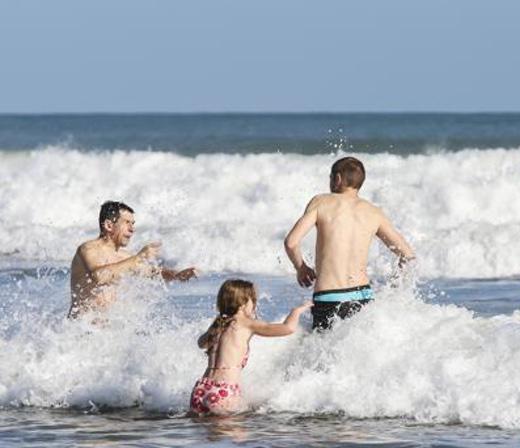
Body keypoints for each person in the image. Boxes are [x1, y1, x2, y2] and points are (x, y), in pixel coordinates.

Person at [284, 156, 415, 330]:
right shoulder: (374, 212)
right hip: (362, 296)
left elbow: (291, 242)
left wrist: (301, 268)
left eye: (330, 178)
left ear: (337, 179)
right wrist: (394, 287)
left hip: (329, 297)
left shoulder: (321, 202)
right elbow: (407, 255)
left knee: (324, 354)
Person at [189, 279, 312, 416]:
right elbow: (287, 328)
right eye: (253, 300)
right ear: (243, 303)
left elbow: (201, 343)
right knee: (235, 435)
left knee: (208, 434)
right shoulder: (246, 323)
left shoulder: (219, 323)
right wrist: (297, 311)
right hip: (224, 390)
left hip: (201, 389)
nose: (254, 304)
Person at [68, 201, 197, 319]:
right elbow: (99, 276)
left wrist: (176, 275)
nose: (132, 229)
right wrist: (139, 257)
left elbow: (152, 272)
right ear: (109, 225)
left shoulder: (125, 258)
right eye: (127, 223)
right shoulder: (88, 249)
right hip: (79, 332)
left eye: (133, 224)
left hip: (106, 336)